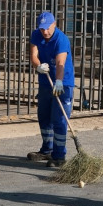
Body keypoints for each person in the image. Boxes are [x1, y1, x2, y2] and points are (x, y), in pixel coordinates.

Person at [28, 12, 75, 168]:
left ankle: (59, 155)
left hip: (63, 82)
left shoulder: (61, 40)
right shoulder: (36, 35)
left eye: (47, 28)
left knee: (59, 118)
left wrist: (59, 81)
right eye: (42, 29)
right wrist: (38, 66)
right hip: (45, 81)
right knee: (44, 115)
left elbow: (61, 61)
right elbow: (33, 55)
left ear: (54, 24)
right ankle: (47, 149)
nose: (45, 32)